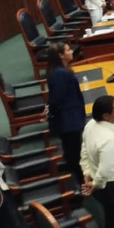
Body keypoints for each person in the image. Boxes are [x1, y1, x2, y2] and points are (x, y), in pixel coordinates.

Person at [80, 95, 114, 228]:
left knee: (110, 213)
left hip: (98, 178)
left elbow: (85, 149)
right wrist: (95, 184)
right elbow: (105, 170)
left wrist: (86, 171)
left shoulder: (90, 125)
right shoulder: (110, 139)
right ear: (106, 116)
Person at [46, 42, 86, 179]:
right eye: (68, 50)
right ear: (61, 55)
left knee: (73, 149)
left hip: (70, 116)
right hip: (68, 119)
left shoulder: (60, 70)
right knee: (74, 152)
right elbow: (57, 98)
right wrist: (50, 110)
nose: (71, 52)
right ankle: (80, 181)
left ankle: (78, 177)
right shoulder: (60, 74)